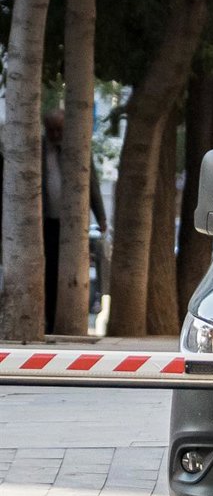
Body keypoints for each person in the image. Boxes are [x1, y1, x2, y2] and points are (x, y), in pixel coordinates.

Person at [42, 109, 108, 332]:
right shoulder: (38, 150)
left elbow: (93, 187)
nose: (55, 134)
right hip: (46, 223)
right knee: (49, 273)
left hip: (72, 224)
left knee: (71, 273)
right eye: (51, 130)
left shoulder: (77, 151)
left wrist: (101, 217)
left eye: (59, 130)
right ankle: (49, 321)